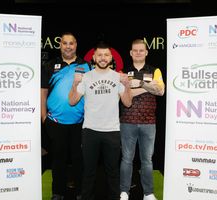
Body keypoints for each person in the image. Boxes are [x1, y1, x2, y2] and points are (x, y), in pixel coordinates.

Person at [68, 41, 133, 200]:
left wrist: (127, 85)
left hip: (112, 131)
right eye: (100, 55)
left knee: (112, 172)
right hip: (90, 131)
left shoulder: (118, 77)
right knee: (89, 171)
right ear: (94, 57)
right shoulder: (86, 77)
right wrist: (75, 84)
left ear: (111, 57)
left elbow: (128, 102)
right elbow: (72, 101)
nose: (103, 58)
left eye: (106, 55)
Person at [41, 32, 91, 200]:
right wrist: (43, 117)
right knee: (58, 160)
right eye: (65, 43)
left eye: (71, 43)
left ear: (76, 45)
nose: (68, 46)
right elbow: (43, 92)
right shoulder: (50, 65)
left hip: (79, 122)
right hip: (55, 122)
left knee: (79, 159)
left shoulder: (86, 65)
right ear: (60, 45)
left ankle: (80, 192)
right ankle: (58, 192)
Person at [119, 39, 165, 200]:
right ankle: (124, 191)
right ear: (131, 53)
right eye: (135, 50)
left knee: (147, 160)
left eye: (141, 50)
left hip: (149, 123)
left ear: (146, 52)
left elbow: (160, 91)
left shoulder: (155, 70)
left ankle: (148, 193)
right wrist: (147, 86)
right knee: (126, 159)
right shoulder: (123, 73)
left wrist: (138, 84)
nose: (138, 53)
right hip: (127, 122)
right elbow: (125, 95)